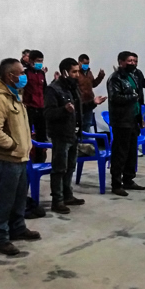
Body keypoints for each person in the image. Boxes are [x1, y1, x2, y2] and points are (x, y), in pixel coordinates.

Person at [0, 58, 41, 256]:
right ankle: (0, 238)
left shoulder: (14, 95)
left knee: (19, 198)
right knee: (4, 200)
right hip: (7, 158)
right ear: (10, 75)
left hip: (21, 157)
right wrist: (13, 145)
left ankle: (17, 228)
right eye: (21, 73)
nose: (24, 76)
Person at [45, 58, 106, 214]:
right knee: (59, 168)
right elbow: (48, 113)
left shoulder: (74, 88)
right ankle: (57, 200)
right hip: (61, 134)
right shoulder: (53, 89)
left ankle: (68, 195)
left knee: (70, 166)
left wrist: (93, 103)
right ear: (65, 72)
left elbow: (78, 109)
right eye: (74, 72)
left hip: (74, 133)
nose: (77, 74)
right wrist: (64, 110)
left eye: (78, 71)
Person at [107, 51, 145, 196]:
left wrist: (140, 117)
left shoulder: (133, 76)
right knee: (120, 153)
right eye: (130, 61)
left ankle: (128, 179)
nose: (133, 63)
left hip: (133, 119)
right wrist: (132, 96)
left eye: (135, 61)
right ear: (121, 62)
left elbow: (139, 98)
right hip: (121, 120)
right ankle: (116, 184)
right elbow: (115, 97)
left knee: (131, 152)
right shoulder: (115, 78)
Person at [23, 50, 49, 163]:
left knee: (41, 135)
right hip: (29, 108)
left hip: (41, 107)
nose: (40, 63)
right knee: (27, 135)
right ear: (31, 61)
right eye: (38, 61)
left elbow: (44, 89)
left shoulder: (42, 73)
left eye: (41, 61)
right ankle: (27, 159)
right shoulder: (25, 73)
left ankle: (40, 160)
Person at [76, 54, 105, 132]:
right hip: (80, 103)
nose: (86, 65)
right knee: (80, 124)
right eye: (84, 63)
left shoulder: (89, 73)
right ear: (79, 62)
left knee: (87, 123)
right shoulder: (76, 74)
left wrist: (100, 77)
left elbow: (93, 84)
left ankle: (86, 139)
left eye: (88, 63)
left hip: (90, 102)